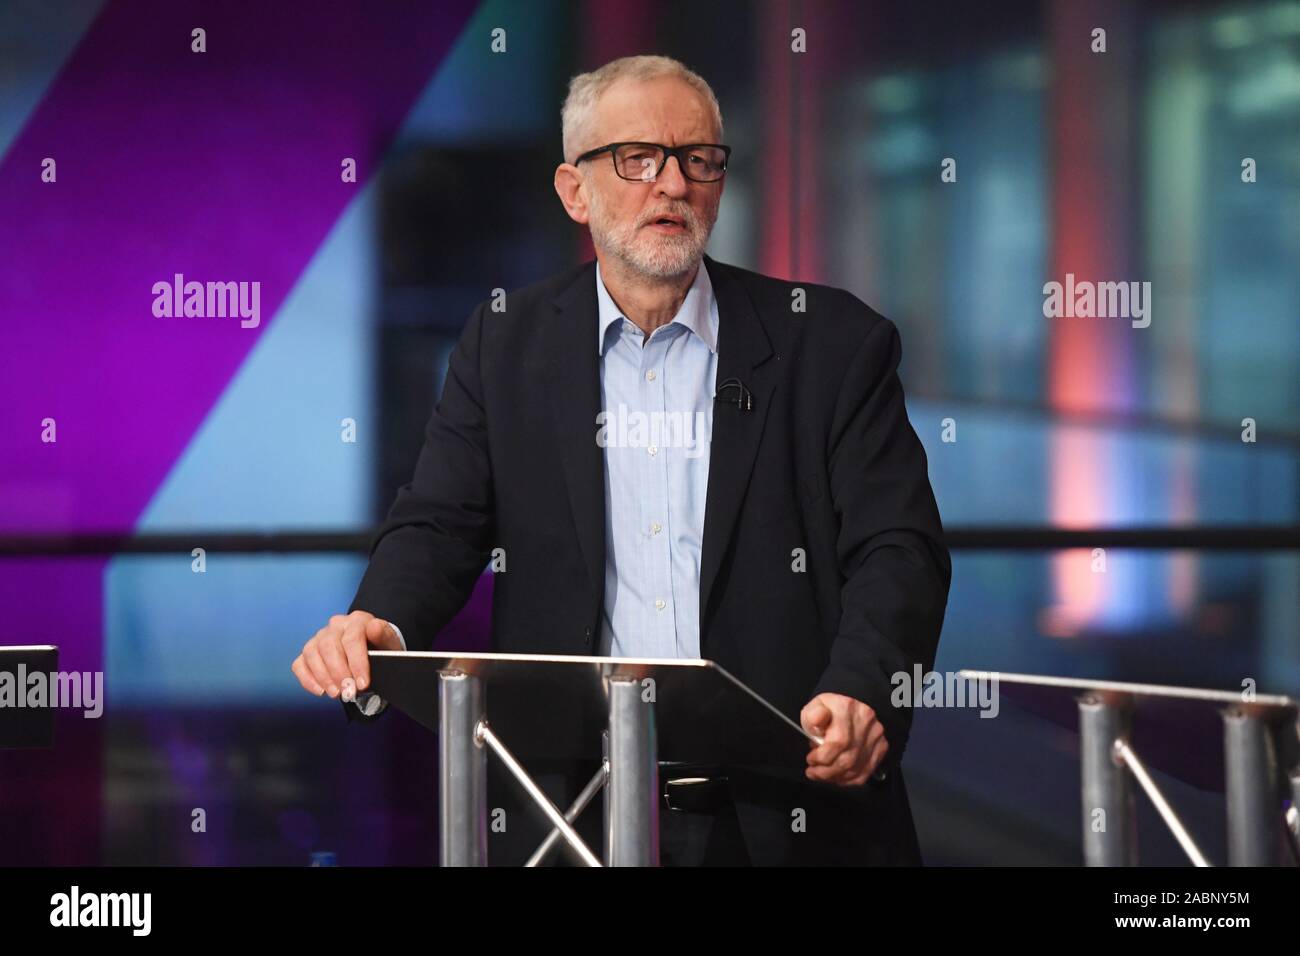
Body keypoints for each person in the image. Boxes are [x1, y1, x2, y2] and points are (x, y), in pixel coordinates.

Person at [291, 54, 951, 866]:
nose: (672, 185)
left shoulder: (834, 344)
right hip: (573, 813)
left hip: (792, 809)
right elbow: (439, 523)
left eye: (698, 159)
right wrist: (380, 625)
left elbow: (899, 548)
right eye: (638, 159)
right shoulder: (505, 345)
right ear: (574, 190)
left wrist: (862, 690)